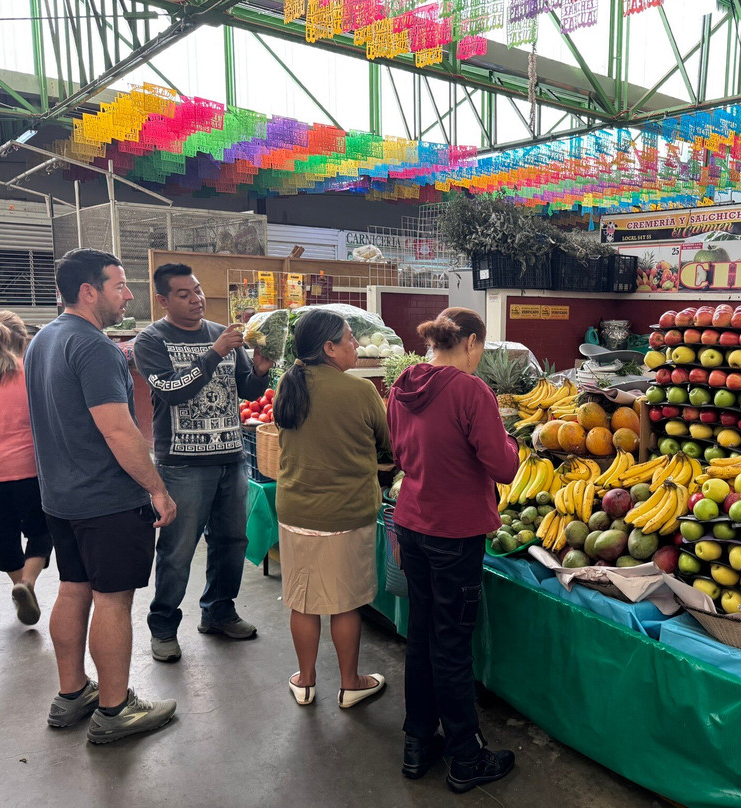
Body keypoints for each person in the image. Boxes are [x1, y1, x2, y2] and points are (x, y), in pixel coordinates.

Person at [25, 248, 177, 744]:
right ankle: (114, 711)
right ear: (89, 291)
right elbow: (117, 428)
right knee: (113, 601)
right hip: (106, 500)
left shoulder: (42, 340)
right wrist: (156, 488)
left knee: (74, 588)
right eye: (120, 285)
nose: (129, 294)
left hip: (61, 497)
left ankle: (72, 694)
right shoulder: (94, 346)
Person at [387, 307, 520, 794]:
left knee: (422, 637)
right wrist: (513, 444)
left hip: (412, 523)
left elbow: (399, 452)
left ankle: (418, 743)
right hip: (454, 533)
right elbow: (502, 467)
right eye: (481, 348)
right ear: (469, 342)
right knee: (451, 646)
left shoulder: (403, 384)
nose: (480, 358)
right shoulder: (470, 391)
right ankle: (465, 756)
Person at [133, 263, 272, 663]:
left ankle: (218, 612)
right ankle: (163, 626)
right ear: (163, 300)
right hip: (182, 465)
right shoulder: (151, 341)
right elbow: (174, 391)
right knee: (178, 550)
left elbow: (246, 387)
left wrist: (259, 369)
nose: (196, 299)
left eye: (197, 291)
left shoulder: (220, 334)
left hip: (231, 457)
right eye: (183, 294)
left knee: (232, 542)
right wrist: (214, 354)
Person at [273, 309, 389, 709]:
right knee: (345, 603)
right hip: (345, 514)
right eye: (349, 339)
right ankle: (350, 683)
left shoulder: (289, 385)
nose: (355, 345)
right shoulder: (359, 392)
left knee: (302, 601)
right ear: (329, 348)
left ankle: (304, 682)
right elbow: (388, 448)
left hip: (295, 511)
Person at [0, 310, 51, 625]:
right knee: (43, 530)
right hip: (31, 470)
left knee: (2, 537)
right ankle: (27, 583)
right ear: (22, 340)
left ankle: (18, 584)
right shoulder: (31, 373)